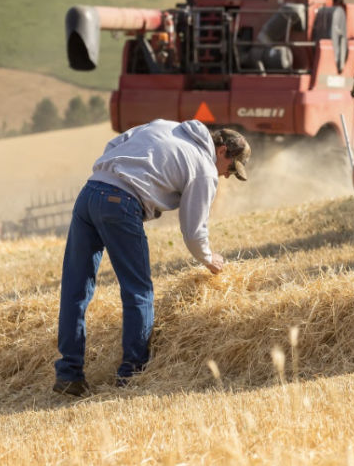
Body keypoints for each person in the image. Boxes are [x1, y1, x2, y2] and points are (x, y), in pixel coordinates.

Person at [52, 119, 250, 396]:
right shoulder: (205, 168)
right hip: (121, 203)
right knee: (138, 291)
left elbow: (115, 144)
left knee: (75, 288)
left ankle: (68, 375)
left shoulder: (165, 126)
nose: (227, 175)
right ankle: (131, 376)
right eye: (231, 168)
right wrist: (209, 259)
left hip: (89, 193)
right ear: (222, 152)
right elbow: (193, 231)